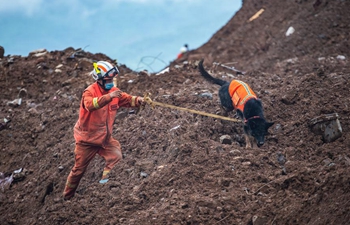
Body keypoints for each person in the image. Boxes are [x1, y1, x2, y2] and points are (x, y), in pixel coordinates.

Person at [63, 60, 145, 200]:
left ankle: (104, 185)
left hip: (105, 139)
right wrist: (108, 97)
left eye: (112, 79)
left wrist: (139, 100)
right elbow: (90, 105)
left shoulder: (113, 91)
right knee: (78, 170)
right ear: (99, 79)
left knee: (116, 156)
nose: (110, 82)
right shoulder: (90, 91)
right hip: (87, 141)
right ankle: (67, 197)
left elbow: (127, 99)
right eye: (107, 79)